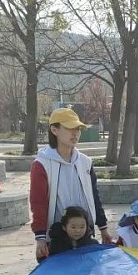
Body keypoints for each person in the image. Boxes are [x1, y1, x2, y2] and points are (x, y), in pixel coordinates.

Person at [29, 108, 110, 262]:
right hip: (57, 240)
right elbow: (38, 202)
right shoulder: (42, 164)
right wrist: (40, 237)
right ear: (54, 130)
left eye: (78, 129)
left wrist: (103, 228)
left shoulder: (85, 162)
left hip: (84, 236)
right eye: (70, 128)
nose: (75, 133)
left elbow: (94, 196)